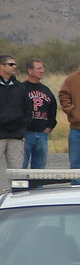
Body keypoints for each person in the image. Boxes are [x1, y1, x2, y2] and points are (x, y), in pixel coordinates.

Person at [0, 54, 30, 190]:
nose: (14, 67)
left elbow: (28, 109)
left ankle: (18, 197)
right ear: (2, 66)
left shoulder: (20, 87)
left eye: (15, 64)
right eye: (11, 64)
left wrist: (23, 126)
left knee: (17, 171)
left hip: (16, 135)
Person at [21, 58, 57, 169]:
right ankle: (20, 187)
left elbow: (53, 109)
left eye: (42, 68)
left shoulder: (46, 90)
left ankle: (37, 186)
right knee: (21, 166)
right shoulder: (21, 88)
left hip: (42, 134)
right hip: (26, 134)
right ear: (29, 70)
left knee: (39, 168)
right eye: (38, 68)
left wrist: (50, 126)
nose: (41, 71)